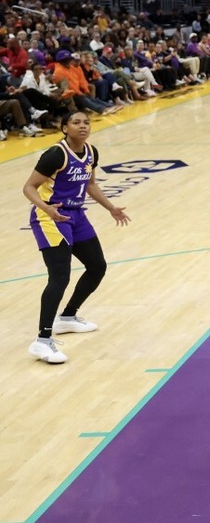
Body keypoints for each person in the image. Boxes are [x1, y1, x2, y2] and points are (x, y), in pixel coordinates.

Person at [21, 111, 131, 364]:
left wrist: (111, 207)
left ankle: (68, 317)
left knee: (97, 266)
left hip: (76, 215)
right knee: (60, 276)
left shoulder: (91, 152)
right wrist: (46, 208)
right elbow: (28, 187)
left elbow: (90, 185)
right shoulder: (55, 155)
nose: (82, 126)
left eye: (86, 122)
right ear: (64, 128)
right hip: (50, 217)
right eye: (76, 122)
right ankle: (42, 341)